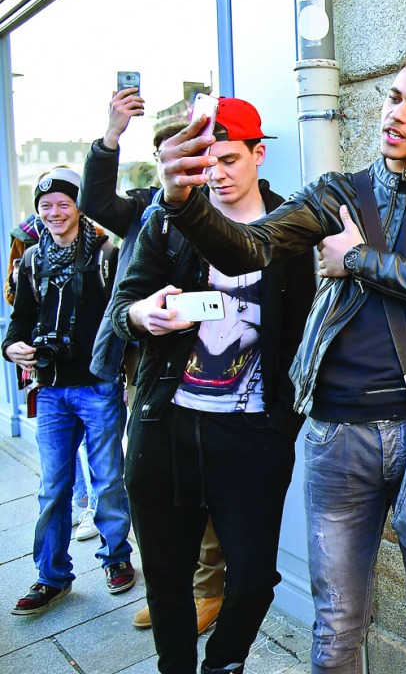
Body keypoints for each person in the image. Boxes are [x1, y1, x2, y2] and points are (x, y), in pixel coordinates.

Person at [150, 52, 406, 674]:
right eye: (395, 98)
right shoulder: (337, 192)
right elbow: (248, 249)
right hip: (338, 431)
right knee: (336, 616)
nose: (396, 113)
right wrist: (181, 202)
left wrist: (358, 259)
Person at [109, 96, 316, 674]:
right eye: (205, 164)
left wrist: (282, 424)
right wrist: (142, 315)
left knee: (252, 579)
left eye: (228, 159)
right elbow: (121, 307)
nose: (217, 175)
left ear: (258, 153)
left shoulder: (289, 230)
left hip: (250, 431)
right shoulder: (167, 221)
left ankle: (224, 663)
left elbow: (299, 333)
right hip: (165, 424)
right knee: (168, 576)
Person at [79, 88, 228, 634]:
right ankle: (169, 584)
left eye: (191, 156)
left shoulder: (230, 207)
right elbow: (95, 203)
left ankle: (207, 589)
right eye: (170, 158)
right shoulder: (148, 210)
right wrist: (112, 134)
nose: (182, 168)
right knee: (154, 484)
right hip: (150, 370)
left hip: (215, 371)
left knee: (206, 484)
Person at [3, 167, 135, 615]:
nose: (55, 212)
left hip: (97, 387)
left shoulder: (106, 253)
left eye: (63, 203)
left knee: (107, 481)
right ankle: (52, 577)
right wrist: (12, 348)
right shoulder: (33, 261)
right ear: (38, 213)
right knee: (53, 488)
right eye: (46, 206)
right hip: (52, 390)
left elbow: (121, 318)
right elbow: (19, 323)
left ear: (78, 206)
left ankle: (117, 559)